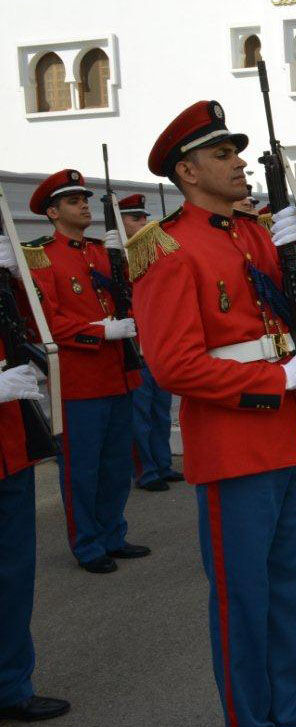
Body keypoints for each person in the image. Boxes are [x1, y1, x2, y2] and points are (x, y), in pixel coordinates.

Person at [132, 99, 296, 727]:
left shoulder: (255, 231)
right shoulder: (167, 248)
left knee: (288, 590)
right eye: (221, 154)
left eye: (237, 152)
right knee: (243, 599)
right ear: (187, 171)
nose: (238, 164)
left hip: (291, 433)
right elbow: (173, 365)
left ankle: (292, 708)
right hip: (234, 441)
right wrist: (277, 377)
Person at [24, 169, 148, 574]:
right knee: (82, 469)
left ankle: (113, 532)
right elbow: (48, 322)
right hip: (79, 381)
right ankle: (88, 543)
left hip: (118, 374)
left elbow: (132, 298)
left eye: (85, 199)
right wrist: (101, 331)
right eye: (74, 200)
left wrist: (123, 259)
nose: (84, 205)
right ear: (53, 212)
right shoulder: (42, 256)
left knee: (116, 465)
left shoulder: (100, 252)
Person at [0, 241, 73, 723]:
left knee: (12, 576)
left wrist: (14, 279)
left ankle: (10, 685)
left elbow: (36, 328)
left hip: (9, 446)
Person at [117, 194, 184, 493]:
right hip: (134, 346)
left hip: (157, 345)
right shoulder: (113, 257)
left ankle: (163, 463)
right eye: (136, 218)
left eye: (144, 217)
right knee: (140, 415)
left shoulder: (153, 252)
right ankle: (146, 471)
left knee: (160, 411)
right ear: (119, 222)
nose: (144, 222)